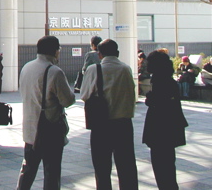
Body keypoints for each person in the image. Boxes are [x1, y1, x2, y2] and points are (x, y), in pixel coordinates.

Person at [16, 35, 75, 189]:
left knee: (28, 169)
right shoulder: (54, 72)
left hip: (30, 129)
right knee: (51, 172)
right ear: (55, 51)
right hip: (49, 129)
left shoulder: (26, 67)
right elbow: (68, 100)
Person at [80, 39, 138, 190]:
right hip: (123, 124)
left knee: (102, 168)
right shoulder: (126, 69)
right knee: (127, 167)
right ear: (117, 53)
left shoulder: (94, 69)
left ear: (99, 54)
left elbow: (84, 95)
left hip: (101, 124)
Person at [142, 50, 188, 190]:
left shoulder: (160, 81)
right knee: (167, 165)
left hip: (160, 130)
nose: (146, 64)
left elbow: (160, 103)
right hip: (168, 129)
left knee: (161, 166)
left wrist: (150, 98)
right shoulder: (167, 79)